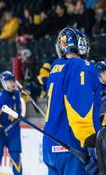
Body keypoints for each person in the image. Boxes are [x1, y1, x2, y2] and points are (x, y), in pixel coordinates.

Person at [42, 27, 102, 174]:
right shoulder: (79, 66)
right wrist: (90, 140)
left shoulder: (56, 67)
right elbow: (78, 106)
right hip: (71, 147)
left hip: (50, 145)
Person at [0, 71, 24, 175]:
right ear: (4, 83)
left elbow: (24, 100)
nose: (12, 83)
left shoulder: (17, 94)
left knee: (16, 158)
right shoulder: (0, 97)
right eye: (9, 81)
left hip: (14, 132)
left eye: (13, 81)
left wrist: (27, 91)